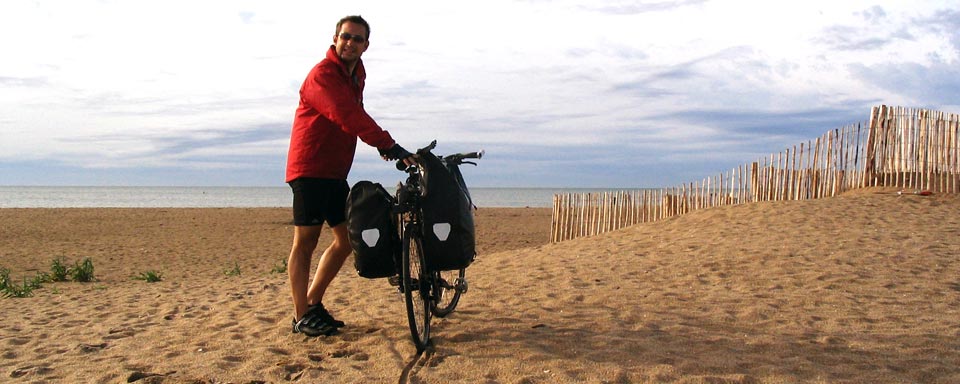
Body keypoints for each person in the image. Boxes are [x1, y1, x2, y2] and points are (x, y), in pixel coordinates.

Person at [285, 15, 414, 337]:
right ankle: (301, 315)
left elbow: (357, 117)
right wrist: (389, 144)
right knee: (305, 242)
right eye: (346, 37)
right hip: (310, 169)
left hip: (334, 172)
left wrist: (384, 147)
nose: (350, 43)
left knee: (345, 240)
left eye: (357, 39)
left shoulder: (356, 75)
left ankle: (313, 303)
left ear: (365, 45)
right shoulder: (323, 75)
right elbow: (346, 115)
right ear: (335, 38)